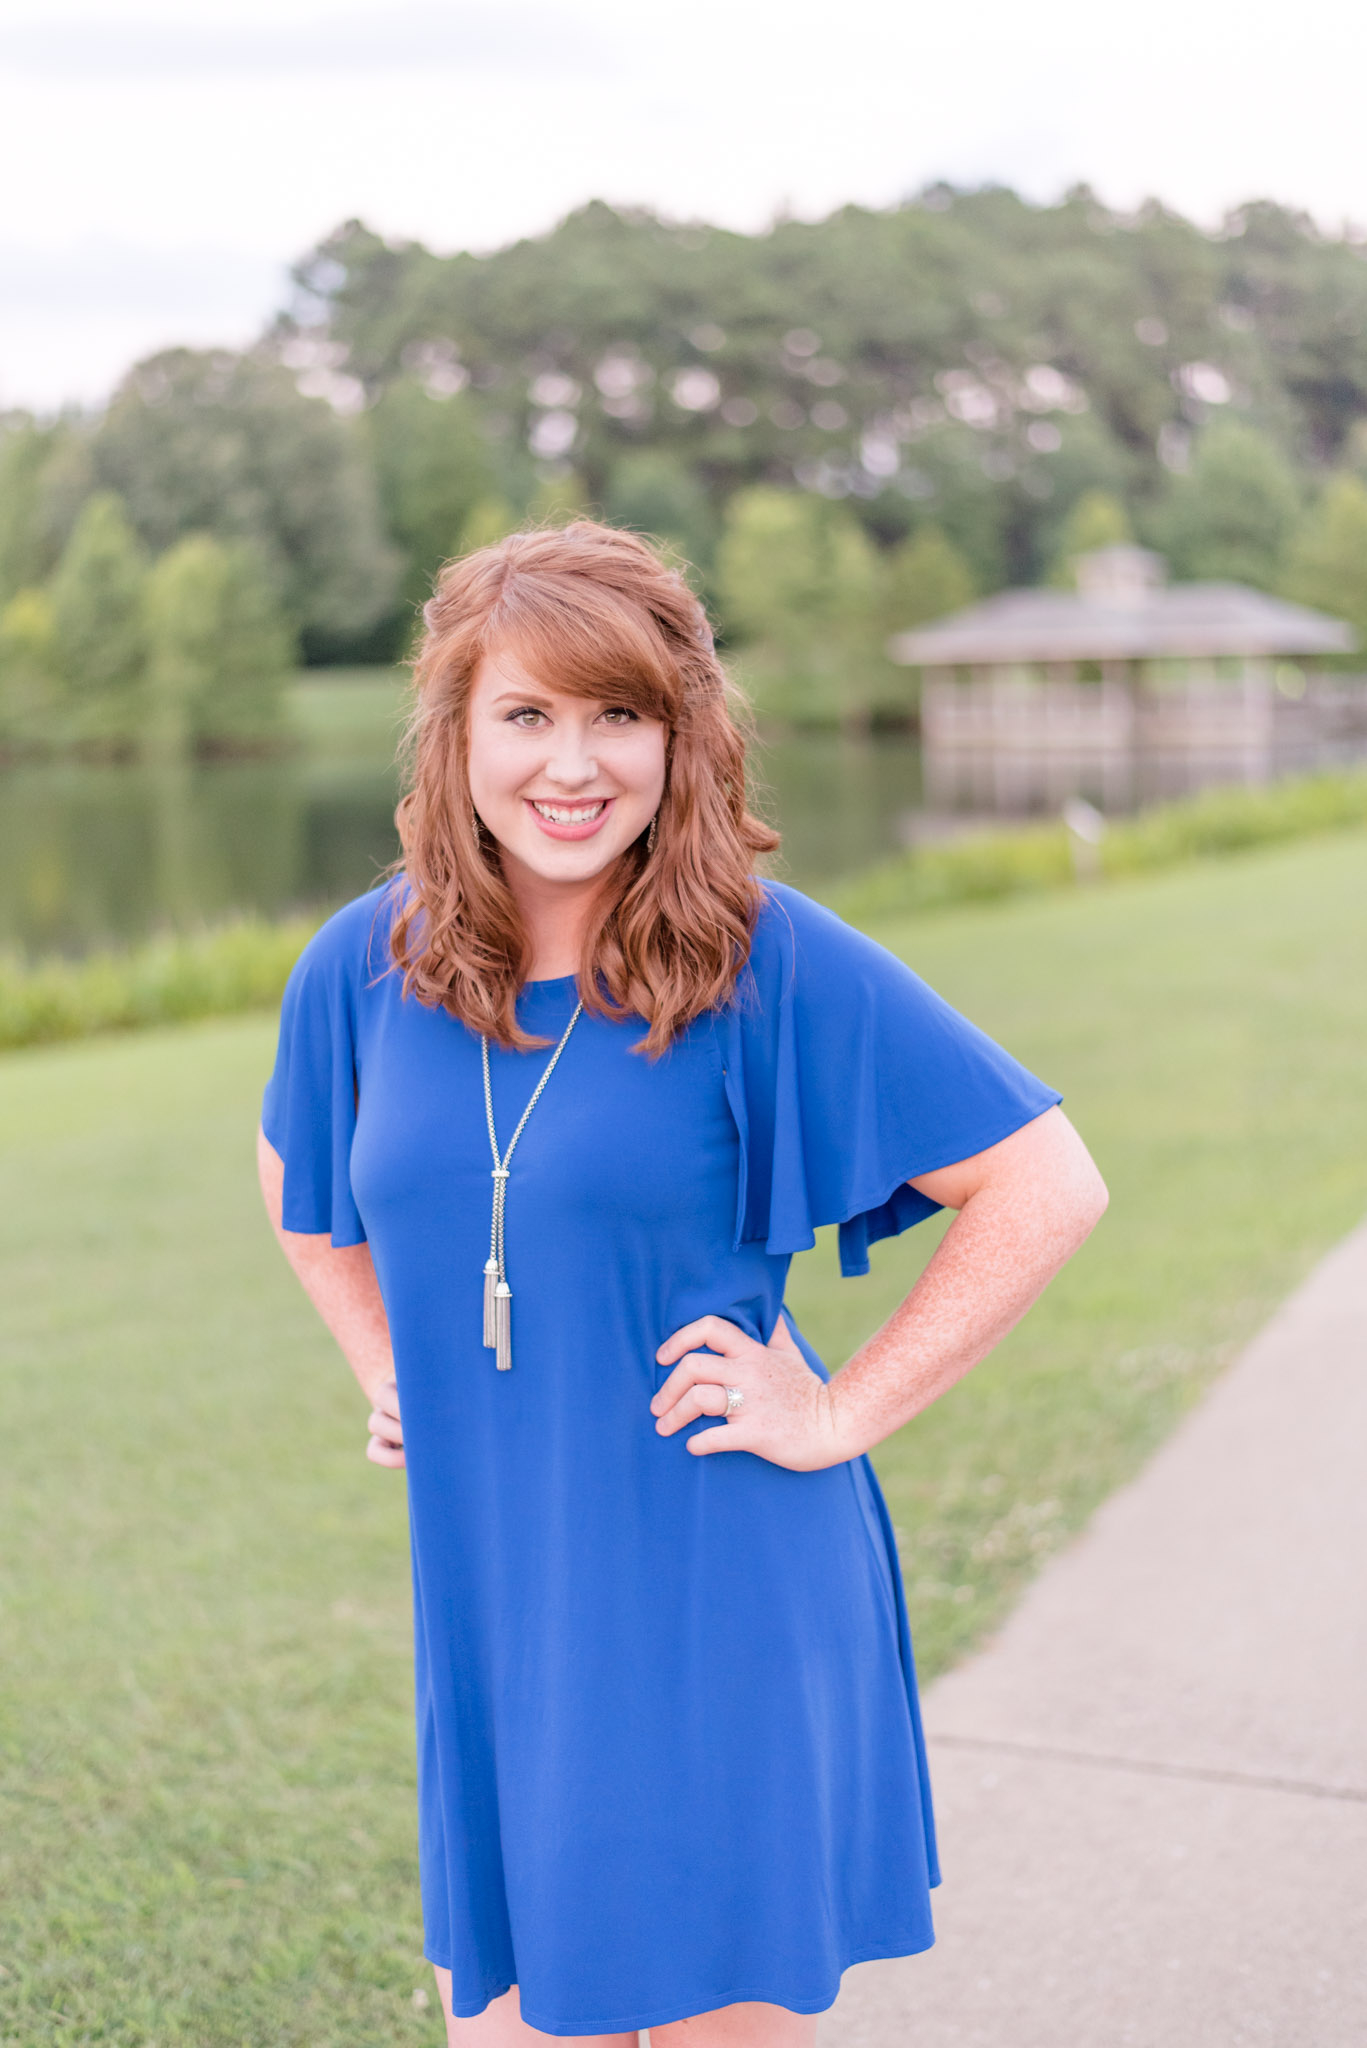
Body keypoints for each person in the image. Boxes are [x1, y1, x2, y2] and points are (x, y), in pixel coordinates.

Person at [257, 521, 1107, 2047]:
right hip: (500, 1602)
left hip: (718, 1586)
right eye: (526, 715)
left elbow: (1048, 1183)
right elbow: (304, 1194)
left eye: (619, 716)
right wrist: (386, 1364)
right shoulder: (362, 966)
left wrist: (840, 1408)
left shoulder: (764, 961)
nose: (570, 766)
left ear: (679, 737)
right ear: (456, 734)